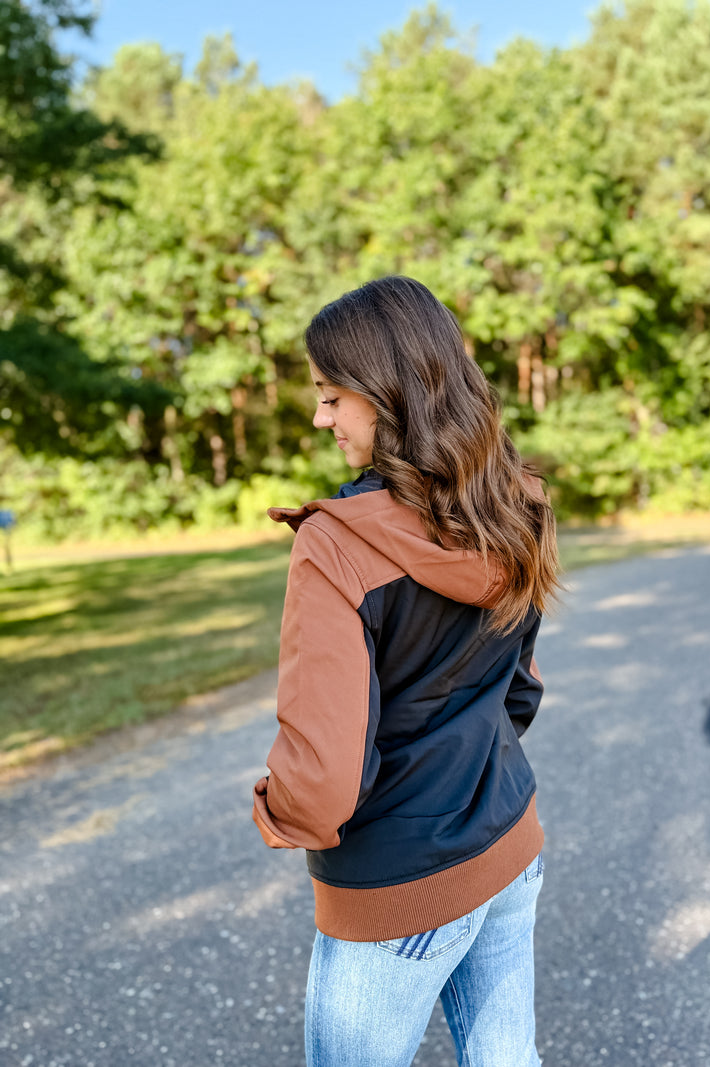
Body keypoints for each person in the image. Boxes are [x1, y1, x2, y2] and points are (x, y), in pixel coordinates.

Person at [252, 275, 561, 1067]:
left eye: (331, 396)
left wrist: (276, 807)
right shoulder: (516, 502)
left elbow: (321, 779)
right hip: (507, 838)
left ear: (385, 393)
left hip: (397, 883)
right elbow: (518, 686)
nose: (319, 417)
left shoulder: (336, 545)